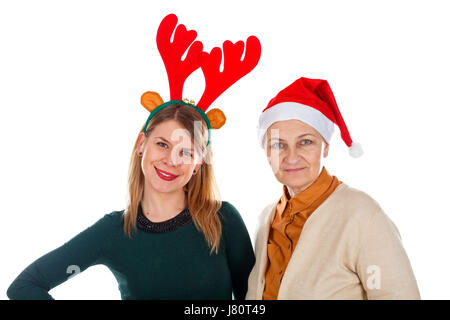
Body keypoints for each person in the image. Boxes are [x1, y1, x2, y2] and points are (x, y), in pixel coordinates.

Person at [7, 13, 261, 300]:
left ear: (199, 163)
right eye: (162, 144)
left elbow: (252, 302)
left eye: (185, 152)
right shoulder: (114, 231)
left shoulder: (223, 220)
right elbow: (25, 286)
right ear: (143, 143)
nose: (171, 160)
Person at [246, 77, 420, 300]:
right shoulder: (266, 219)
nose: (291, 157)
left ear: (325, 148)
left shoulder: (361, 215)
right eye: (278, 145)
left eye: (305, 142)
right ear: (267, 153)